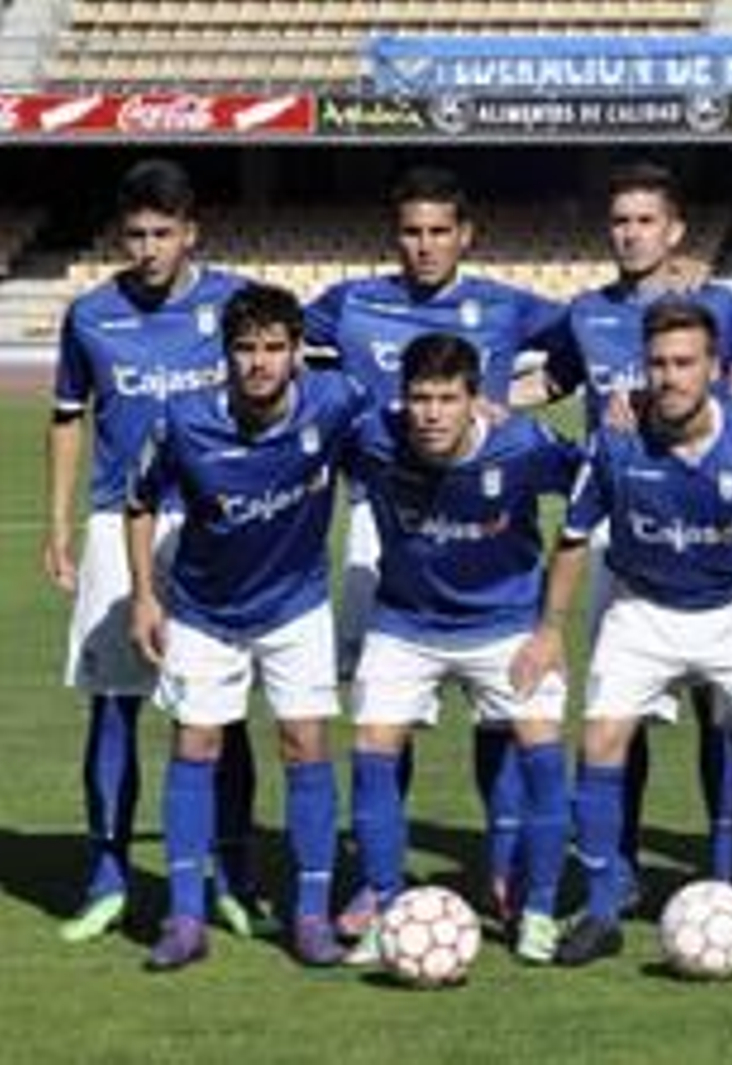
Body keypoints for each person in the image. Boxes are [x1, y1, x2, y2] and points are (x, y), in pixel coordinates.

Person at [519, 300, 732, 969]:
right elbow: (572, 539)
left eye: (685, 363)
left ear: (716, 369)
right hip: (644, 605)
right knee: (601, 736)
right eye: (658, 363)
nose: (670, 377)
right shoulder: (615, 442)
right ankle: (601, 909)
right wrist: (549, 631)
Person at [541, 162, 732, 893]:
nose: (631, 234)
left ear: (674, 230)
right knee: (619, 710)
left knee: (723, 714)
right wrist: (489, 405)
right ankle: (620, 862)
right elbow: (552, 384)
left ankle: (726, 861)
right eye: (620, 221)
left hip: (717, 529)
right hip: (619, 524)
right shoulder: (587, 313)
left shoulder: (719, 305)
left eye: (644, 221)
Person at [304, 164, 572, 932]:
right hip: (383, 515)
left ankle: (507, 857)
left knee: (500, 720)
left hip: (484, 500)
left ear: (465, 234)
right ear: (397, 236)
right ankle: (377, 876)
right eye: (411, 232)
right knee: (383, 712)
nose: (424, 247)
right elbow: (287, 345)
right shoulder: (353, 303)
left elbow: (576, 345)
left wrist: (522, 398)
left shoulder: (502, 304)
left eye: (438, 232)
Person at [44, 158, 264, 945]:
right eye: (134, 234)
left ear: (190, 232)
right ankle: (106, 875)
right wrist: (60, 525)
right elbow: (70, 416)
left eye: (162, 233)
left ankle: (233, 873)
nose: (147, 248)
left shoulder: (233, 301)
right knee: (114, 702)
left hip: (213, 518)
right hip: (117, 523)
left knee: (222, 705)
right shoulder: (91, 315)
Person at [126, 284, 361, 970]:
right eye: (245, 348)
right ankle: (185, 917)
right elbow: (137, 502)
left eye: (273, 348)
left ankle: (312, 915)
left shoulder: (336, 401)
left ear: (297, 354)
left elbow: (406, 429)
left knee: (305, 742)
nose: (259, 362)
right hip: (204, 609)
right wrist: (145, 596)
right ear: (226, 353)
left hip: (295, 604)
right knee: (195, 746)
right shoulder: (182, 419)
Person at [340, 333, 581, 968]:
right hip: (406, 620)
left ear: (478, 401)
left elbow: (590, 491)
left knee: (541, 749)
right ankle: (386, 906)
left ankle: (537, 912)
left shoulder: (523, 445)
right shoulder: (371, 438)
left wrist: (551, 625)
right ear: (403, 399)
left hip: (506, 623)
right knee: (371, 747)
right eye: (420, 398)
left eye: (448, 398)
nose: (432, 413)